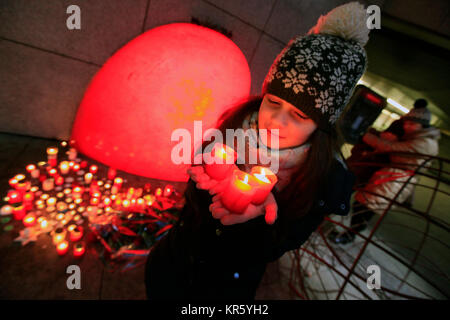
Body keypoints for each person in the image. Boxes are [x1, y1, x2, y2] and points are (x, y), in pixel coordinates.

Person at [145, 2, 370, 299]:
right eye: (273, 102)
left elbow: (279, 245)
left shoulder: (323, 180)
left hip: (224, 290)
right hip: (172, 263)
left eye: (300, 115)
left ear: (322, 125)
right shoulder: (235, 128)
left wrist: (252, 223)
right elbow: (192, 194)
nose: (276, 121)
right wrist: (212, 185)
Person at [330, 100, 441, 244]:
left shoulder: (424, 143)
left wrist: (365, 136)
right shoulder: (420, 139)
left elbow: (389, 148)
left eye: (412, 124)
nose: (407, 126)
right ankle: (349, 233)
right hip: (392, 177)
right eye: (407, 123)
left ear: (422, 126)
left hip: (395, 180)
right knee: (363, 204)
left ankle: (349, 235)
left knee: (366, 208)